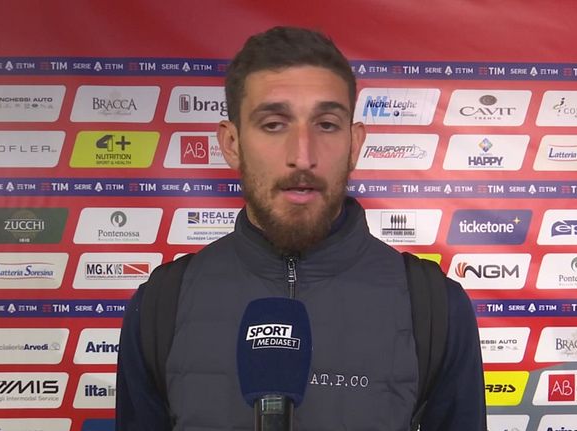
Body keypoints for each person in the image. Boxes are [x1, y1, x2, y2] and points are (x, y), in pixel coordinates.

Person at [116, 26, 486, 430]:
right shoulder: (160, 305)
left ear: (354, 143)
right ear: (232, 143)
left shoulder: (434, 307)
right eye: (274, 124)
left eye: (326, 124)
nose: (303, 156)